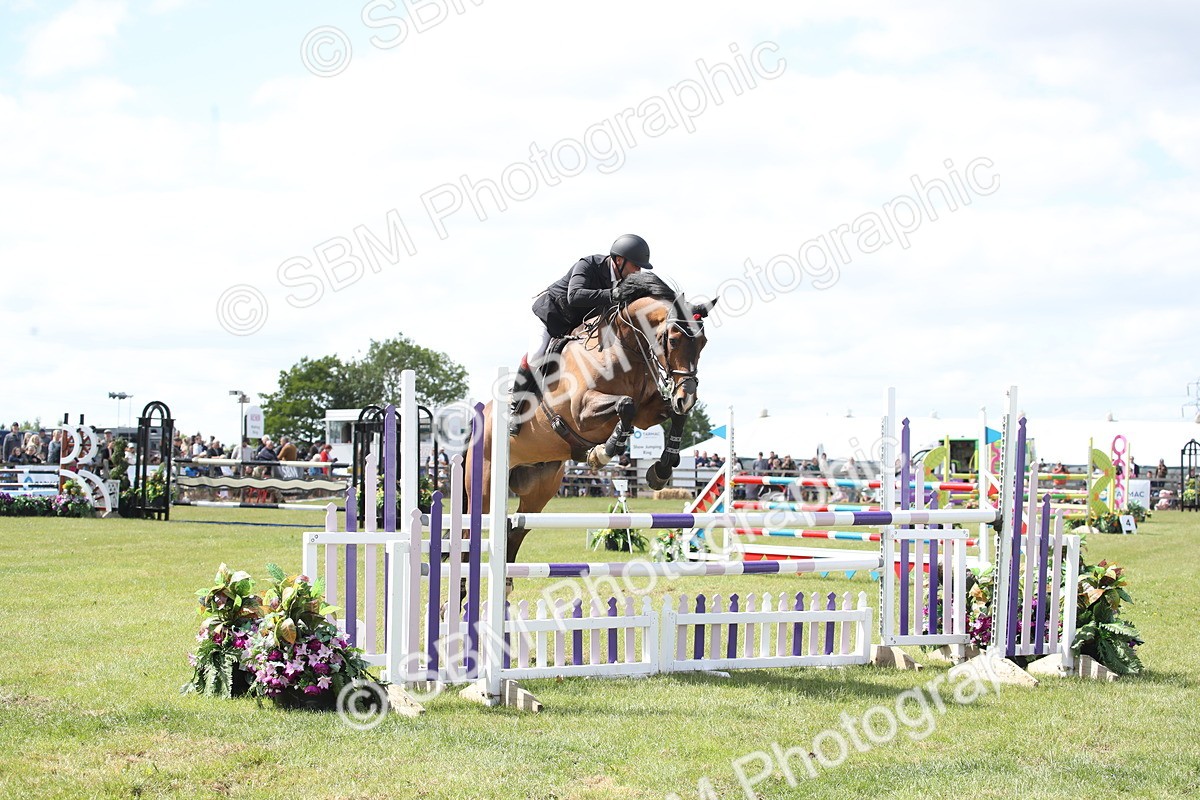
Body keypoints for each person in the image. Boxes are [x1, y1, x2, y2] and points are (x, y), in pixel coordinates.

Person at [508, 233, 654, 436]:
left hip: (578, 328)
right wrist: (611, 294)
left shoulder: (626, 281)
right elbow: (575, 295)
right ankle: (514, 407)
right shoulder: (589, 265)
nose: (638, 271)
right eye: (635, 266)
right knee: (537, 354)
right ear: (619, 260)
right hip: (551, 317)